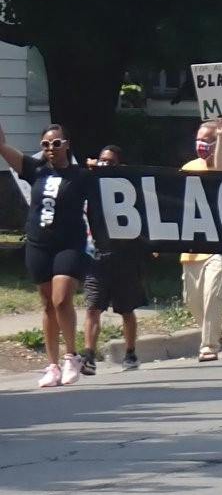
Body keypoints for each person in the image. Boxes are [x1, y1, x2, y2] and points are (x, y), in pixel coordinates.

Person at [1, 121, 91, 386]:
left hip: (70, 244)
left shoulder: (81, 175)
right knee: (47, 304)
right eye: (45, 145)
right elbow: (3, 147)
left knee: (61, 299)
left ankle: (71, 356)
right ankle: (52, 365)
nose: (50, 149)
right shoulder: (35, 170)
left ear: (67, 145)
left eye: (56, 143)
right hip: (39, 244)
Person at [82, 144, 146, 370]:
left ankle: (130, 353)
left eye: (111, 162)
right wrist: (89, 169)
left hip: (125, 257)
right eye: (102, 160)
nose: (105, 165)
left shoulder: (129, 187)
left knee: (126, 309)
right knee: (93, 308)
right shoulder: (91, 183)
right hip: (98, 256)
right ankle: (88, 354)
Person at [179, 118, 222, 363]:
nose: (203, 144)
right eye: (200, 139)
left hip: (219, 247)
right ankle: (212, 334)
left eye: (209, 140)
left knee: (213, 294)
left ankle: (208, 345)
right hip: (191, 249)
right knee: (193, 301)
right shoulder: (187, 169)